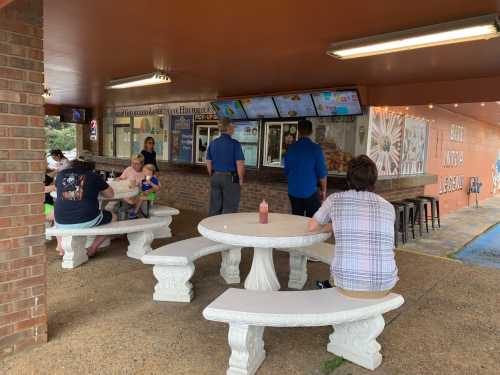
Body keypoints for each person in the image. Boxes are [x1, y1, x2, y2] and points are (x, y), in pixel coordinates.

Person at [308, 155, 398, 298]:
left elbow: (312, 226)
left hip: (348, 284)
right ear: (374, 180)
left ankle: (328, 288)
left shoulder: (335, 200)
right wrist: (338, 224)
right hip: (385, 283)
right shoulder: (388, 207)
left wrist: (334, 225)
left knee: (337, 271)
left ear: (348, 179)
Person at [54, 156, 116, 257]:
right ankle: (93, 248)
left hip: (61, 221)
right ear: (91, 166)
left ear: (73, 164)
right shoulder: (93, 176)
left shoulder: (61, 174)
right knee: (113, 216)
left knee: (57, 213)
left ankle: (61, 247)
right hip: (87, 219)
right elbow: (110, 194)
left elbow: (59, 189)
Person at [284, 119, 328, 217]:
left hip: (293, 192)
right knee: (311, 221)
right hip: (310, 192)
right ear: (311, 132)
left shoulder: (291, 148)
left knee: (296, 219)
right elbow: (322, 174)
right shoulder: (316, 148)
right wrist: (324, 191)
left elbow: (287, 171)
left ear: (298, 131)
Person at [206, 118, 245, 216]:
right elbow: (239, 163)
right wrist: (240, 179)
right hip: (230, 178)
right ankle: (226, 229)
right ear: (228, 128)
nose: (234, 129)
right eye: (233, 127)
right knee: (230, 208)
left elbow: (208, 161)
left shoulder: (213, 143)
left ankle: (212, 229)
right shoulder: (235, 144)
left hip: (215, 176)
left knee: (215, 207)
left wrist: (212, 174)